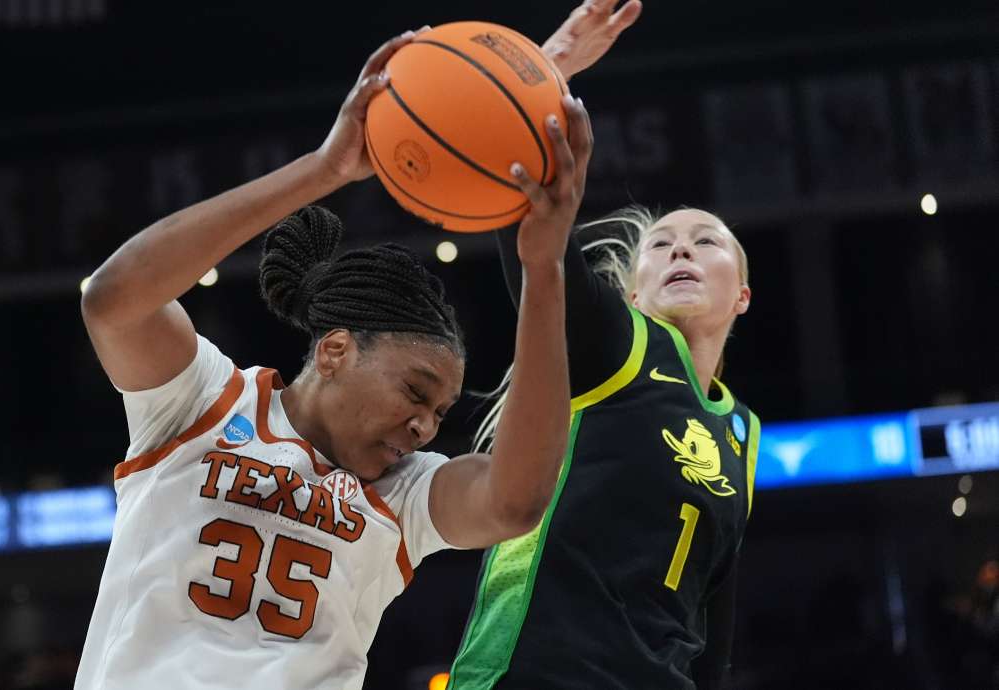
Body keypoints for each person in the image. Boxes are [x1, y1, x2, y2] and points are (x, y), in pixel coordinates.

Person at [73, 24, 594, 690]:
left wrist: (542, 266)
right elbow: (113, 301)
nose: (426, 427)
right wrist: (324, 171)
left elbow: (515, 502)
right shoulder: (203, 402)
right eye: (415, 391)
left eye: (439, 412)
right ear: (336, 350)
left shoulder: (404, 494)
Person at [448, 4, 760, 689]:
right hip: (533, 675)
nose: (681, 245)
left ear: (741, 293)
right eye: (661, 244)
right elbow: (533, 244)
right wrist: (547, 70)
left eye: (706, 239)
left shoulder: (744, 430)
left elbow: (716, 617)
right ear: (634, 293)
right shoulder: (617, 346)